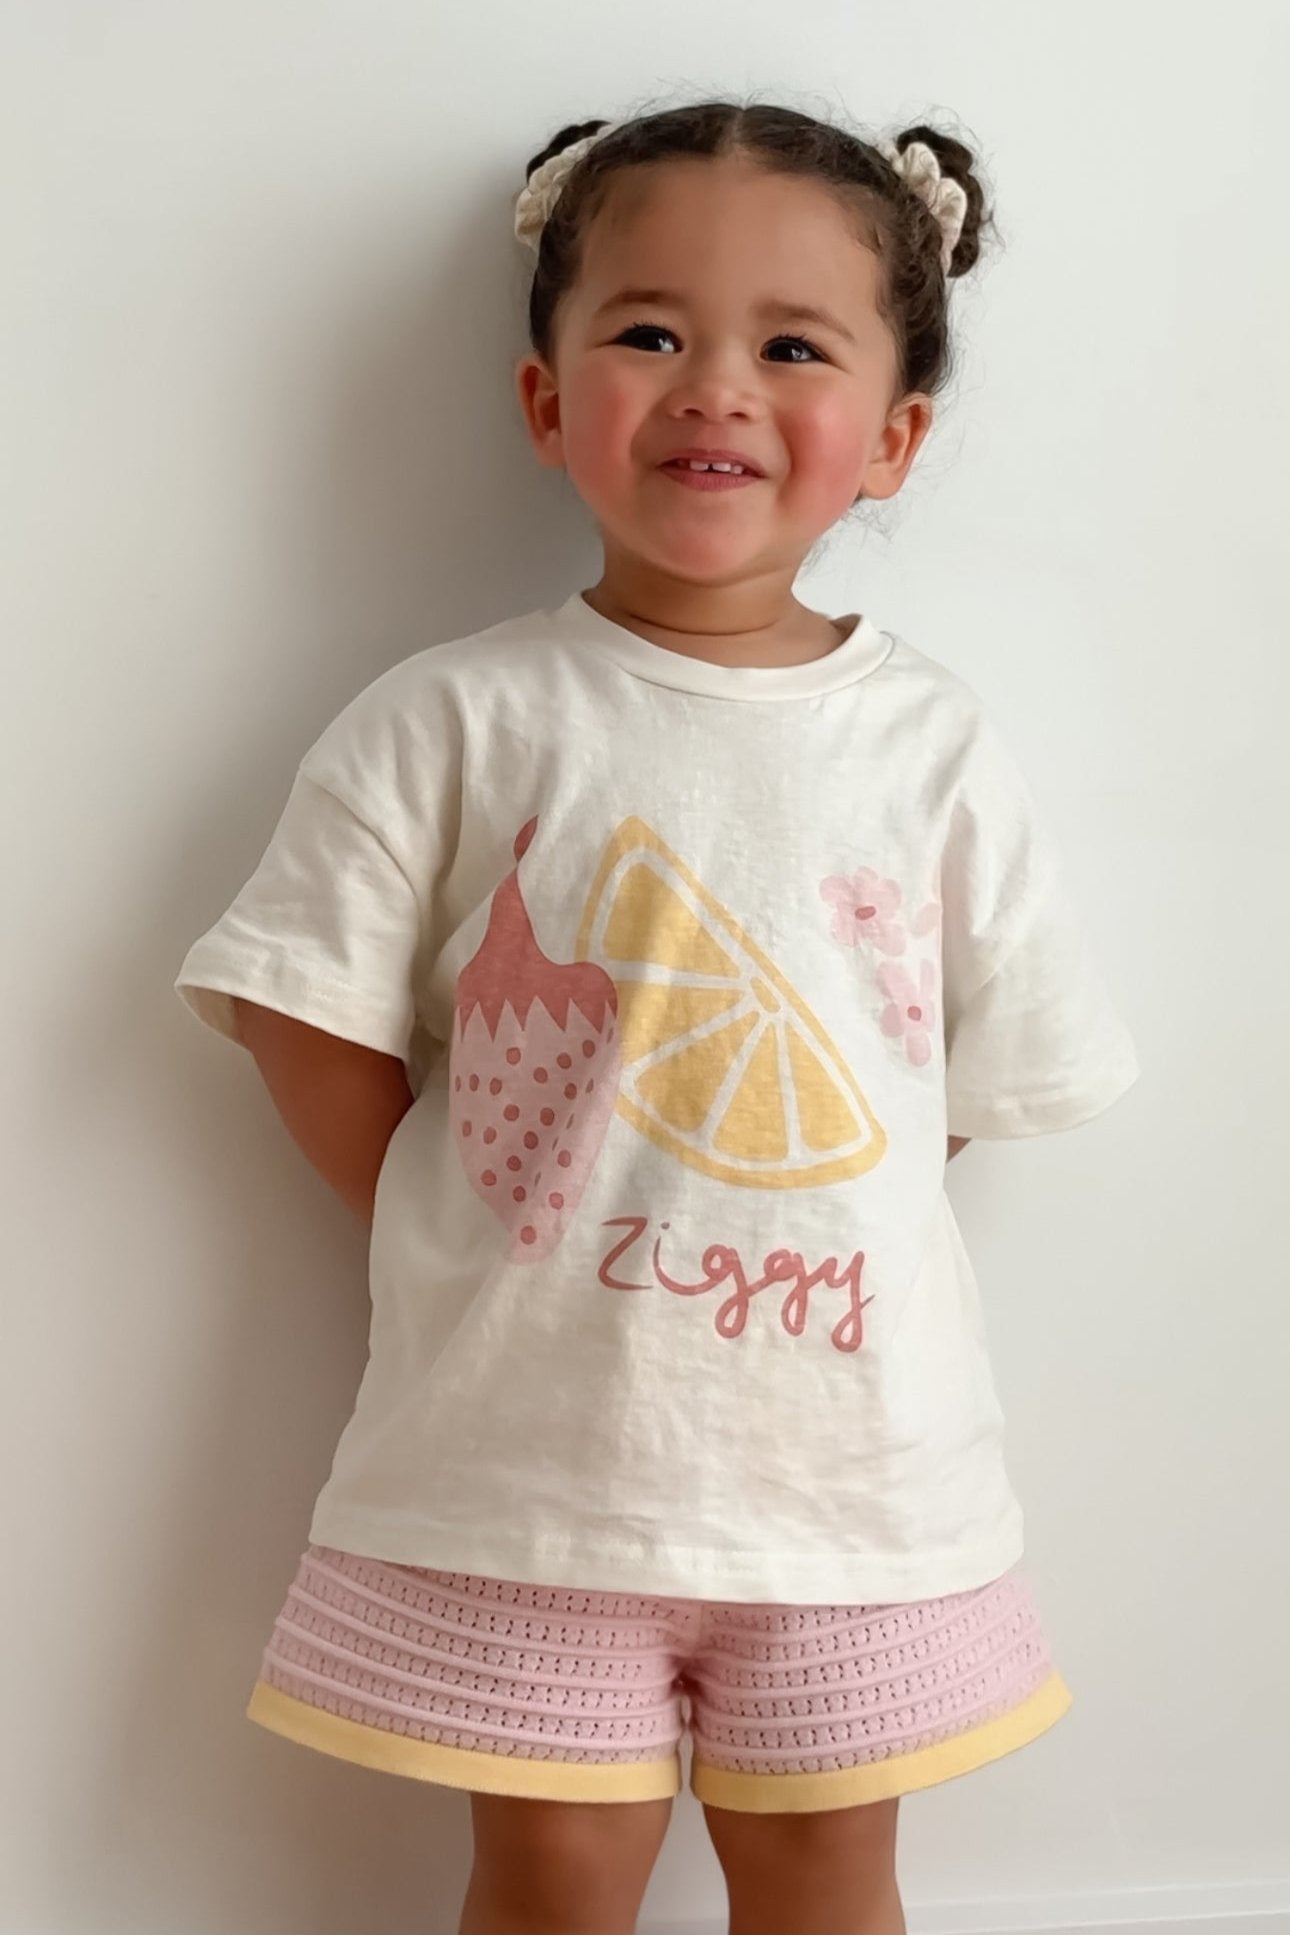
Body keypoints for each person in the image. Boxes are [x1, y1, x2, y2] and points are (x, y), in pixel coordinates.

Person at [175, 100, 1139, 1935]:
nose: (715, 386)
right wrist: (458, 1206)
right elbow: (297, 1010)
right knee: (547, 1866)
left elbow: (933, 1077)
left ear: (894, 438)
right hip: (525, 1467)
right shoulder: (449, 719)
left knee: (825, 1863)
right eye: (646, 333)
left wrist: (803, 1191)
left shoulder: (932, 746)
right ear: (548, 405)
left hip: (852, 1472)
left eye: (791, 344)